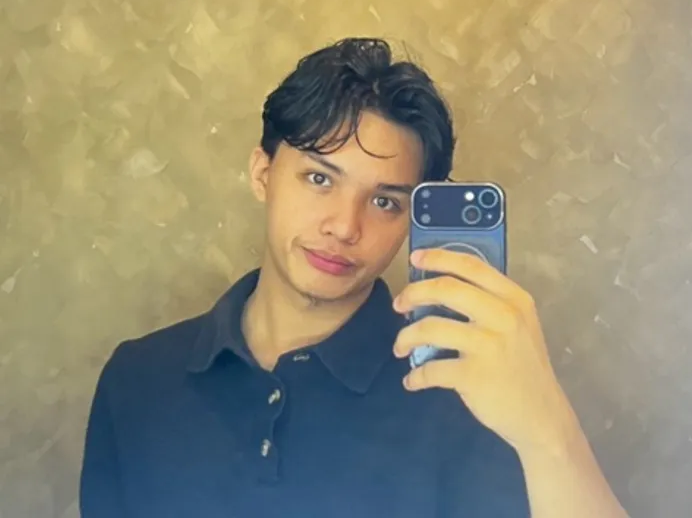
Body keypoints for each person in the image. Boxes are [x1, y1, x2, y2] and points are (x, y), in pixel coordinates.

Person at [80, 37, 629, 518]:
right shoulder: (137, 380)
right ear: (262, 173)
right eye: (320, 179)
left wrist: (549, 432)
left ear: (411, 220)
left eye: (385, 201)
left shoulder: (465, 393)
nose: (345, 226)